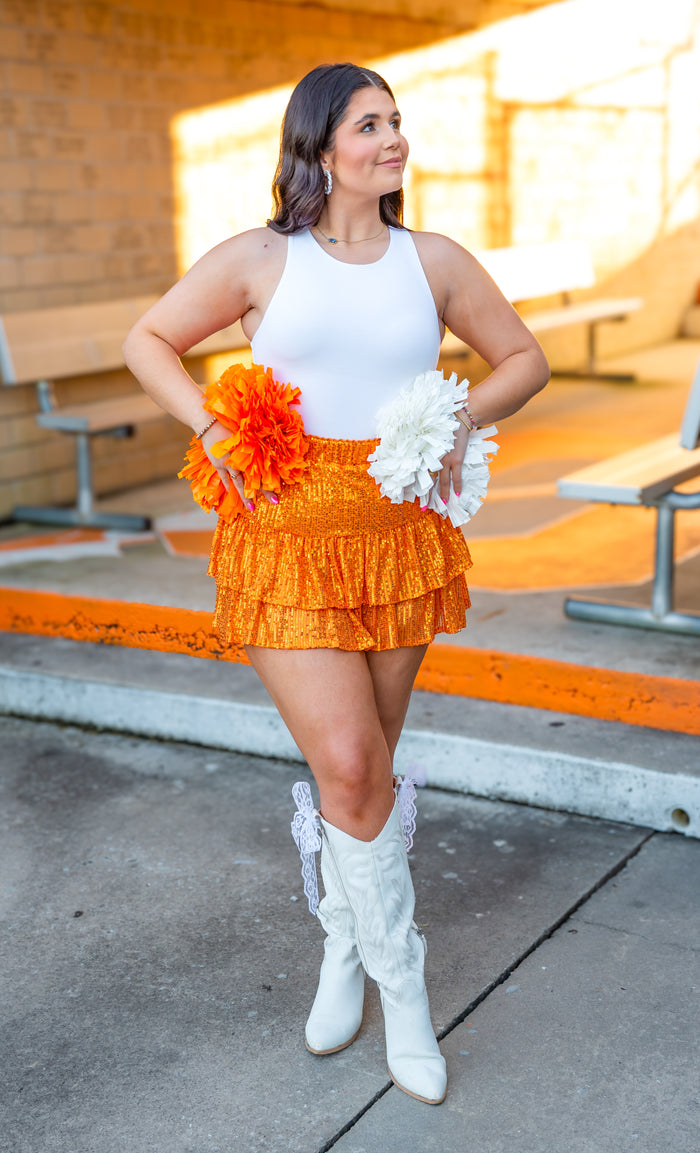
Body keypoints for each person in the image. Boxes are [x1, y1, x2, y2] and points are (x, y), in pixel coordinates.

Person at [123, 62, 549, 1106]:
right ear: (318, 146)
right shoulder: (261, 258)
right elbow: (148, 340)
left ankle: (340, 949)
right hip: (283, 540)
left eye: (397, 122)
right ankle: (405, 995)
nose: (393, 139)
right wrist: (212, 423)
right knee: (353, 761)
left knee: (361, 776)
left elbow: (523, 360)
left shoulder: (433, 258)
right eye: (371, 124)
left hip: (398, 537)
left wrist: (457, 417)